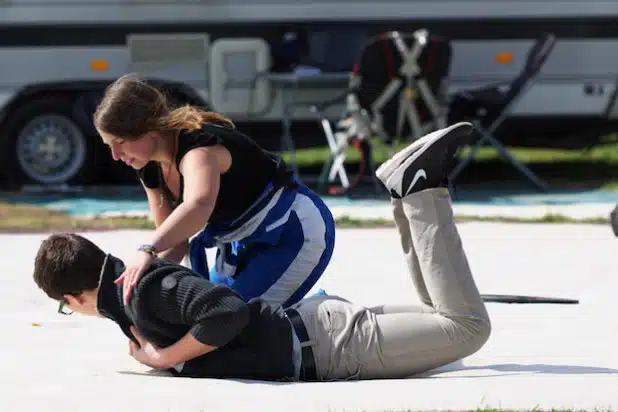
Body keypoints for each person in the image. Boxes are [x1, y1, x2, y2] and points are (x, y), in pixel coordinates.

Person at [32, 122, 491, 382]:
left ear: (74, 297)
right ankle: (407, 194)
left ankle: (419, 191)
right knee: (443, 317)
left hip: (326, 347)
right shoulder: (133, 300)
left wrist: (163, 359)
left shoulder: (144, 293)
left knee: (466, 330)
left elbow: (226, 311)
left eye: (64, 307)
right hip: (317, 330)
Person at [92, 74, 336, 308]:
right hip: (240, 241)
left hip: (292, 230)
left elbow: (198, 206)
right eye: (108, 146)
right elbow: (175, 242)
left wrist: (147, 250)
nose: (115, 156)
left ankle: (330, 319)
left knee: (234, 321)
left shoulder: (198, 150)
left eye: (120, 142)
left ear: (149, 129)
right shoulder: (149, 166)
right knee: (209, 313)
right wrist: (137, 283)